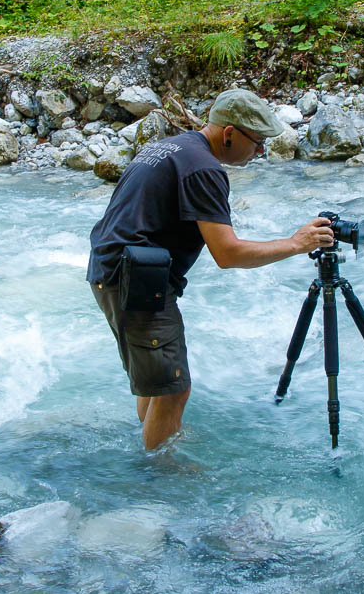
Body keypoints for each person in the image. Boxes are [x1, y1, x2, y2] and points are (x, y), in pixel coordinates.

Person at [86, 89, 334, 450]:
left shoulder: (170, 148)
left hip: (112, 272)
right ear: (229, 133)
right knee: (174, 388)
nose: (260, 151)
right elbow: (228, 253)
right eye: (258, 141)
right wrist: (298, 243)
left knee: (158, 380)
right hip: (136, 281)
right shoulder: (204, 167)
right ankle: (162, 479)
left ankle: (150, 443)